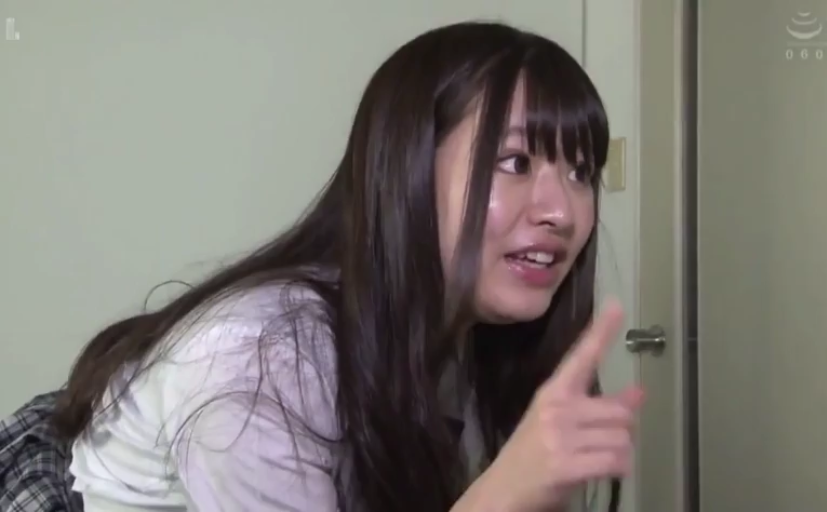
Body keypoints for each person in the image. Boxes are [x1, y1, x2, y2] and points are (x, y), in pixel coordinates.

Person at [51, 21, 643, 512]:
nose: (562, 211)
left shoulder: (462, 339)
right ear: (408, 171)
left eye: (581, 172)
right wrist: (504, 495)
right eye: (515, 162)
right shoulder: (257, 357)